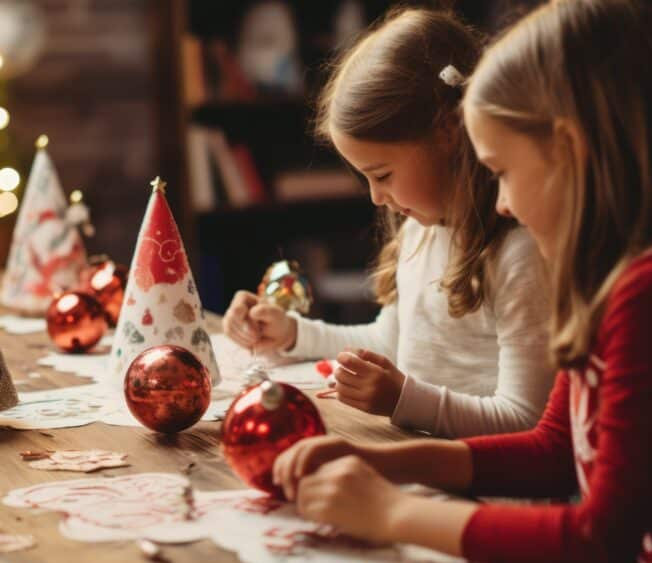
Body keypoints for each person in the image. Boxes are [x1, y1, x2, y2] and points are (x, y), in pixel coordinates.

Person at [274, 1, 652, 563]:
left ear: (568, 150)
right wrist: (388, 464)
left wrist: (392, 513)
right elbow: (553, 449)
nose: (502, 202)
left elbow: (600, 538)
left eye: (502, 172)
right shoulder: (606, 279)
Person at [224, 7, 555, 438]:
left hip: (483, 486)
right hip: (421, 462)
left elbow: (527, 421)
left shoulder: (520, 255)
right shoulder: (420, 233)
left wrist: (403, 400)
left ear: (448, 132)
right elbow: (390, 344)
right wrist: (291, 334)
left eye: (382, 175)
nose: (377, 197)